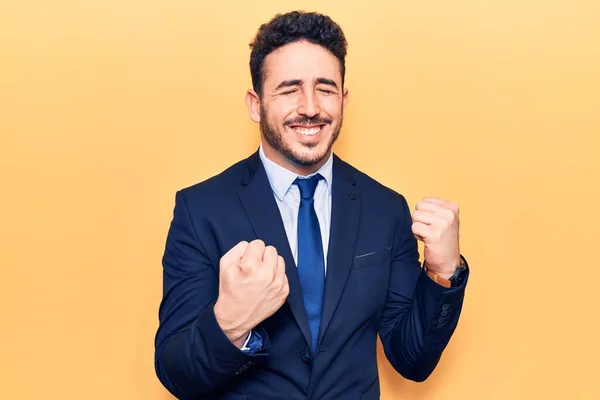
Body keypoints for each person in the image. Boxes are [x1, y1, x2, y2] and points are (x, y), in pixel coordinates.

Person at [154, 10, 469, 400]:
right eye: (289, 89)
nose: (310, 107)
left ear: (343, 99)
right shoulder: (200, 209)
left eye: (325, 88)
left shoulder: (385, 208)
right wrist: (231, 321)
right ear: (255, 104)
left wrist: (442, 274)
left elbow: (412, 360)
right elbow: (176, 373)